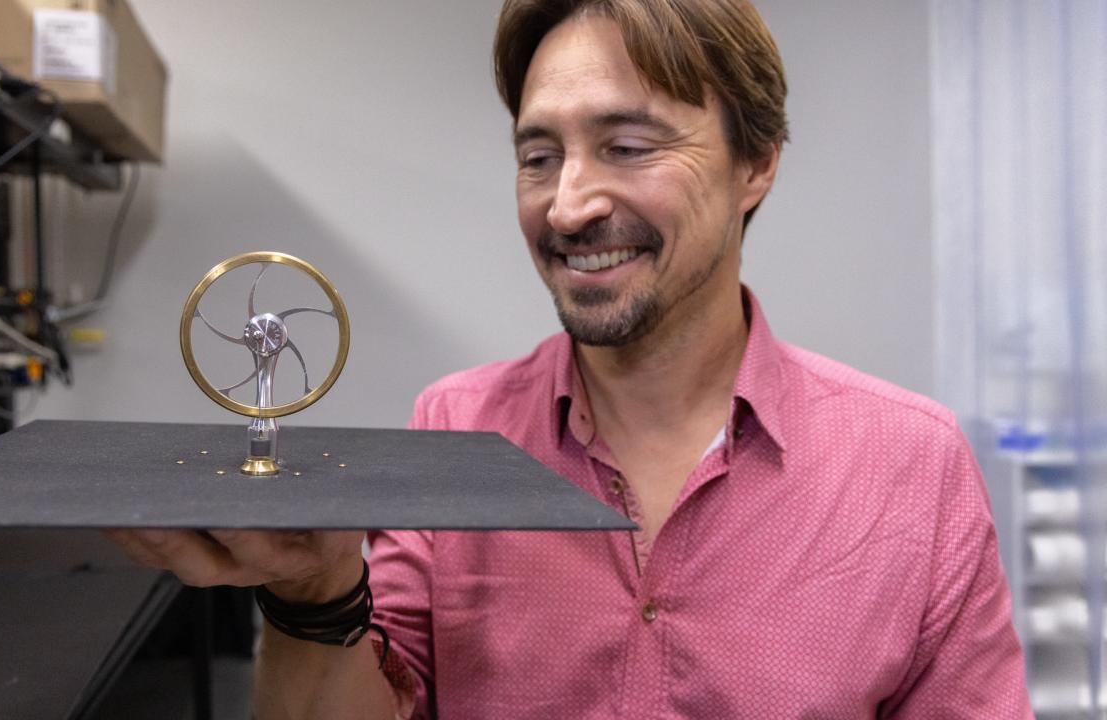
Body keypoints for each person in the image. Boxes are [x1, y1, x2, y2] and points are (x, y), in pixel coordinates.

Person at [107, 0, 1034, 717]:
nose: (568, 205)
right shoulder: (454, 432)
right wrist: (312, 595)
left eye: (627, 146)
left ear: (757, 163)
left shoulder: (913, 466)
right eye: (539, 156)